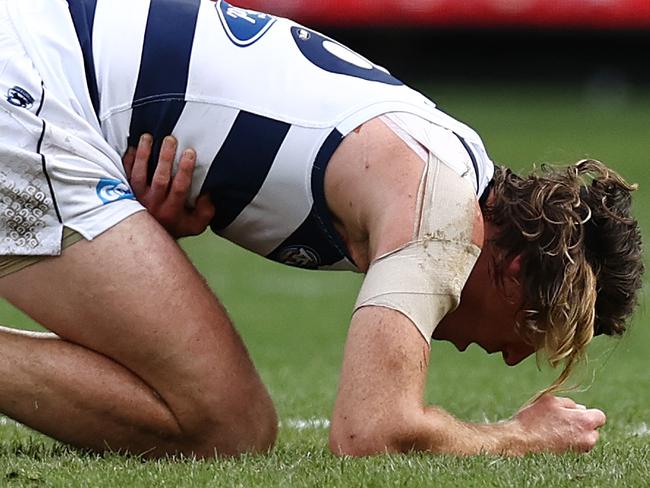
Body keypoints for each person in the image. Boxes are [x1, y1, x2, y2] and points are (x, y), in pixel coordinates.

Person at [0, 0, 642, 458]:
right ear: (510, 271)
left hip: (41, 66)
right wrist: (517, 438)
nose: (513, 357)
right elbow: (369, 434)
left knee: (223, 418)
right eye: (533, 327)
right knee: (227, 426)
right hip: (28, 89)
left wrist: (143, 215)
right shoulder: (442, 211)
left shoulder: (446, 159)